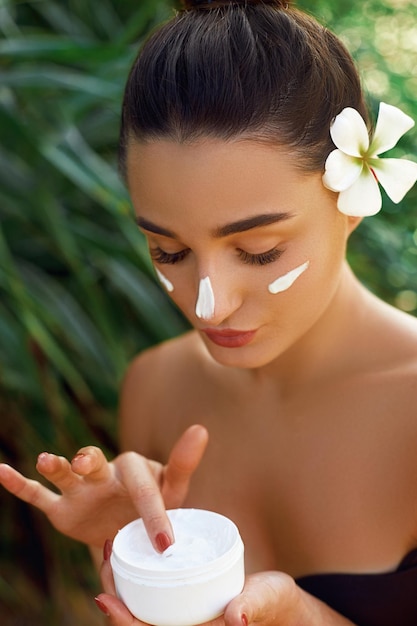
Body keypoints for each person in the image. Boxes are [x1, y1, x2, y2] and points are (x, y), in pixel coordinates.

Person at [1, 0, 417, 624]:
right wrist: (122, 559)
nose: (208, 303)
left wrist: (299, 617)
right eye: (167, 250)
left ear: (354, 197)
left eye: (258, 251)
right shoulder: (156, 388)